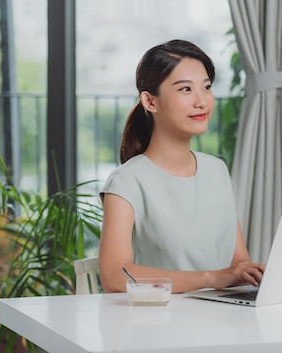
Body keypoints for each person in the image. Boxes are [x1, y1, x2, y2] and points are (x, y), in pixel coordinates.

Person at [98, 39, 264, 293]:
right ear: (150, 101)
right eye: (186, 89)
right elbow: (114, 276)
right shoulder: (128, 181)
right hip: (159, 322)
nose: (202, 101)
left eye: (206, 87)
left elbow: (237, 261)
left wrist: (252, 274)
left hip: (222, 318)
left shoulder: (216, 170)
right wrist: (213, 278)